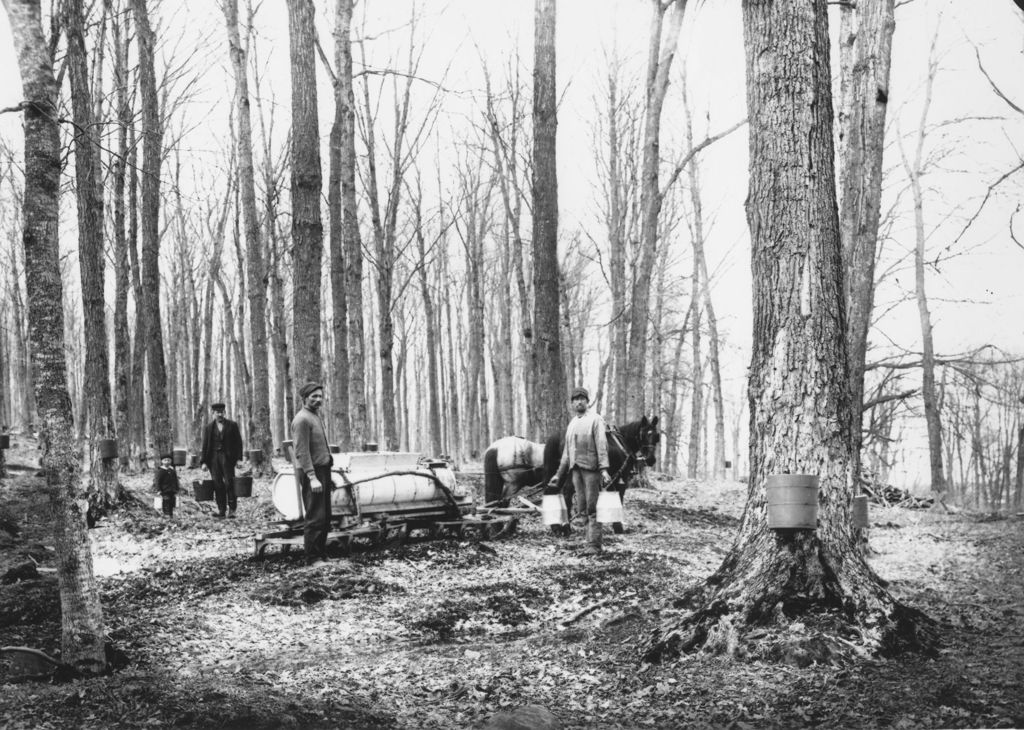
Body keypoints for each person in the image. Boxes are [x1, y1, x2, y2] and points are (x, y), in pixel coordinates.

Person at [548, 386, 611, 555]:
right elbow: (567, 453)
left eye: (582, 399)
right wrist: (558, 475)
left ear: (587, 401)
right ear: (571, 404)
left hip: (591, 470)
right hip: (576, 471)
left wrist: (604, 469)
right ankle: (588, 542)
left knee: (593, 507)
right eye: (575, 400)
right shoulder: (572, 423)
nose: (579, 402)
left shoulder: (596, 420)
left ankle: (595, 545)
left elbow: (601, 445)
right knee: (582, 508)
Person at [292, 382, 333, 565]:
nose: (318, 399)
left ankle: (321, 553)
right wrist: (312, 477)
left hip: (323, 471)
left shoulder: (315, 416)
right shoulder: (302, 419)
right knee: (315, 516)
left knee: (324, 516)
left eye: (320, 396)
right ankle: (312, 558)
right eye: (313, 396)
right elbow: (301, 451)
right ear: (304, 398)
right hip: (312, 473)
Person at [199, 402, 244, 518]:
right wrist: (203, 462)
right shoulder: (208, 428)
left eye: (221, 412)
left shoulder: (232, 425)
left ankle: (232, 509)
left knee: (230, 483)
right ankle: (221, 510)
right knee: (217, 484)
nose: (219, 414)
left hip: (228, 458)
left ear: (224, 412)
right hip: (213, 459)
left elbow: (238, 443)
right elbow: (205, 445)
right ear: (213, 413)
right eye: (217, 412)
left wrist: (239, 459)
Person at [153, 453, 181, 520]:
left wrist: (177, 488)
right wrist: (158, 490)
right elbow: (157, 481)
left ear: (171, 461)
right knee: (166, 502)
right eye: (165, 460)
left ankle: (171, 515)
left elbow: (175, 480)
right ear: (162, 461)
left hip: (172, 490)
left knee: (172, 503)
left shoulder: (172, 470)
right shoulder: (161, 471)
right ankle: (166, 515)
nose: (167, 462)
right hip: (164, 490)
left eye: (168, 460)